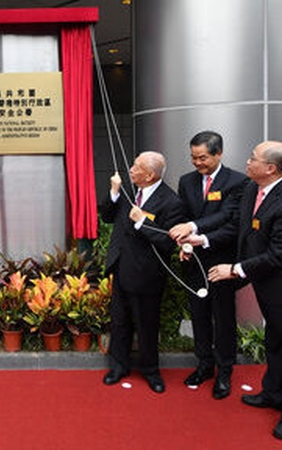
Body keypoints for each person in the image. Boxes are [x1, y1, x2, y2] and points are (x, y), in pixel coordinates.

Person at [207, 141, 282, 440]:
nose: (247, 162)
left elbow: (279, 255)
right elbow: (242, 228)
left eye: (253, 158)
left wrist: (234, 270)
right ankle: (274, 393)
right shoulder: (254, 188)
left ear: (270, 168)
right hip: (269, 289)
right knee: (275, 344)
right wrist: (200, 239)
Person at [168, 131, 248, 399]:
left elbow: (231, 221)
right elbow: (182, 216)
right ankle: (204, 364)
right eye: (193, 157)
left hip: (221, 262)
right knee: (199, 316)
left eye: (202, 157)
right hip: (194, 262)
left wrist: (197, 235)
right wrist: (186, 245)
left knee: (223, 318)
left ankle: (225, 371)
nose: (197, 162)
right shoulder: (186, 181)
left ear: (218, 154)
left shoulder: (237, 182)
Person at [100, 151, 185, 393]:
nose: (130, 170)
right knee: (119, 322)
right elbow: (107, 216)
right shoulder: (128, 190)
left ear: (149, 175)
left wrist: (141, 222)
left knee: (147, 324)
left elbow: (168, 242)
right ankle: (118, 366)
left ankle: (150, 370)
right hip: (121, 266)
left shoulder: (171, 201)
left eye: (136, 167)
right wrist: (114, 193)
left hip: (147, 274)